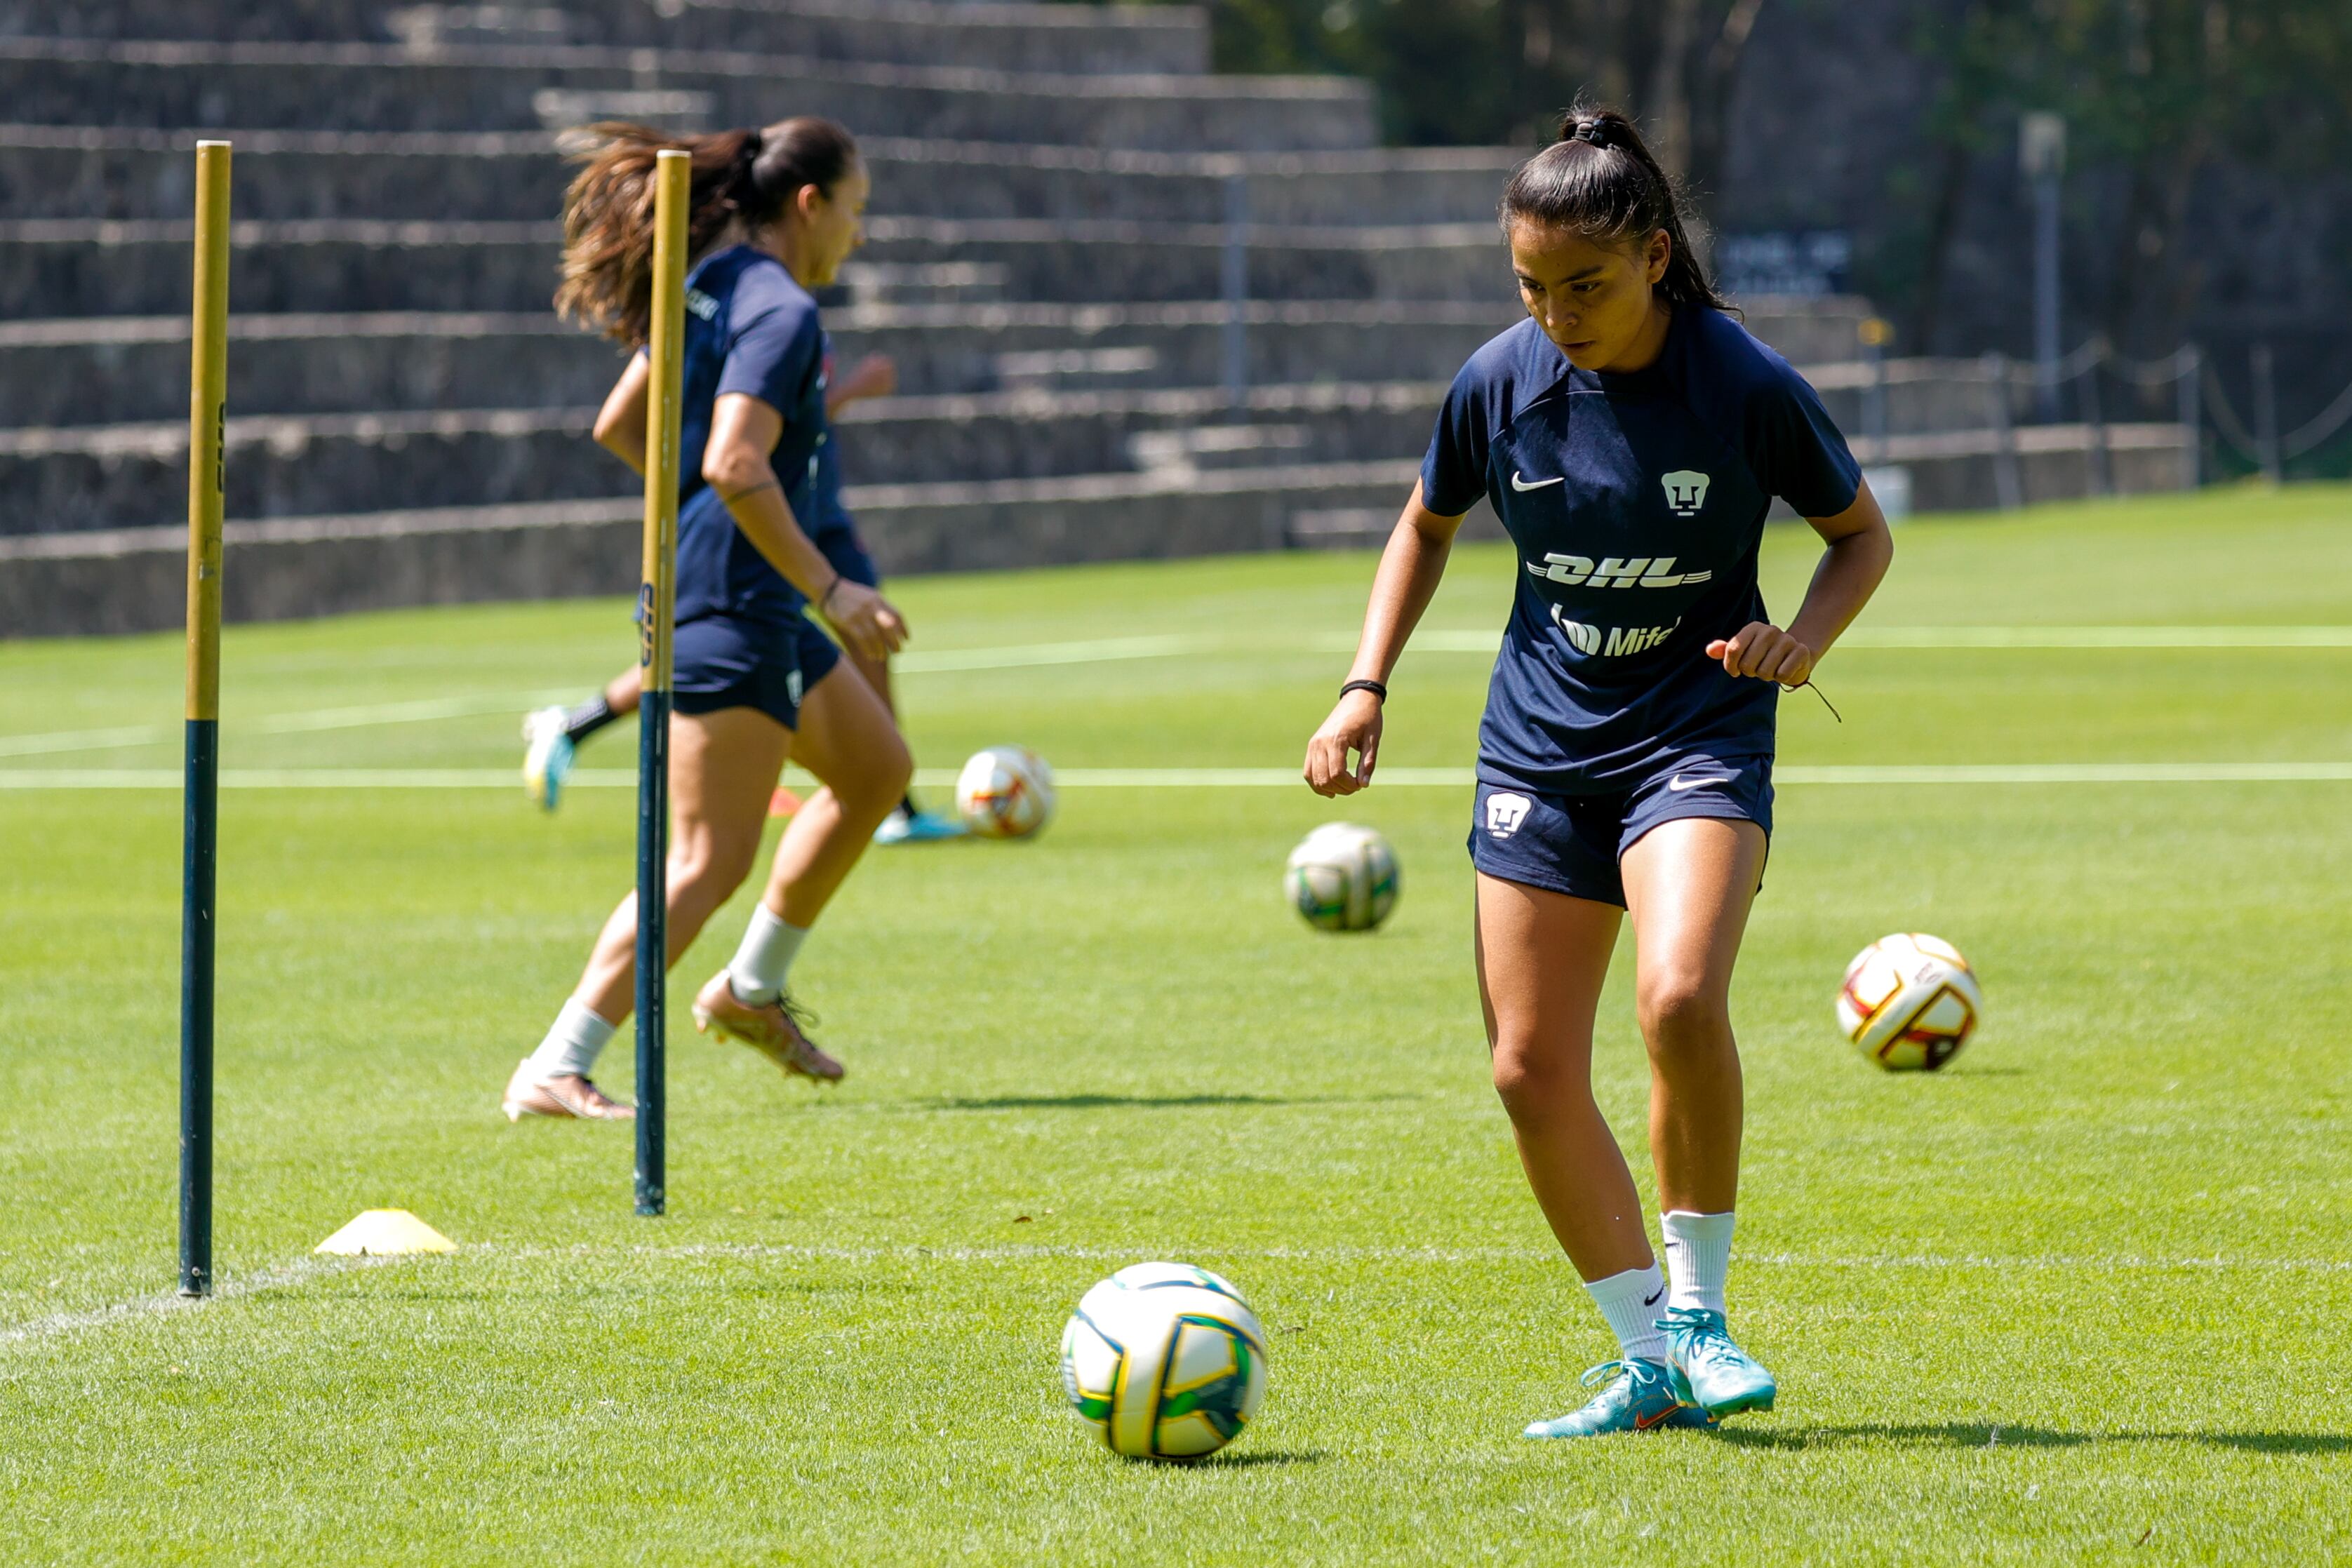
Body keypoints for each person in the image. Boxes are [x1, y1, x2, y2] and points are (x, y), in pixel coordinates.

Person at [1302, 107, 1892, 1437]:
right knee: (1525, 1067)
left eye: (1585, 284)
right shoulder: (1498, 382)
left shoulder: (1740, 384)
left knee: (1678, 996)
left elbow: (1859, 536)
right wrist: (1363, 683)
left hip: (1698, 730)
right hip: (1538, 745)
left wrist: (1800, 640)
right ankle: (1645, 1360)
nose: (1555, 314)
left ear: (1655, 258)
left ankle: (1701, 1317)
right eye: (1531, 286)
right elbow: (1424, 525)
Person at [502, 116, 915, 1123]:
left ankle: (750, 989)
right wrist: (832, 587)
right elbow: (735, 461)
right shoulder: (780, 308)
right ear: (808, 204)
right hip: (734, 602)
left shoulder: (710, 283)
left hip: (740, 592)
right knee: (703, 860)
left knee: (877, 771)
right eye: (853, 211)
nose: (857, 235)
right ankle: (556, 1063)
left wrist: (704, 516)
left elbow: (620, 425)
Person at [523, 346, 965, 843]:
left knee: (857, 644)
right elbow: (758, 430)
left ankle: (896, 804)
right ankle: (576, 726)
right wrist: (852, 391)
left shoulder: (774, 315)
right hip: (779, 517)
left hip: (814, 513)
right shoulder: (762, 318)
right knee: (724, 655)